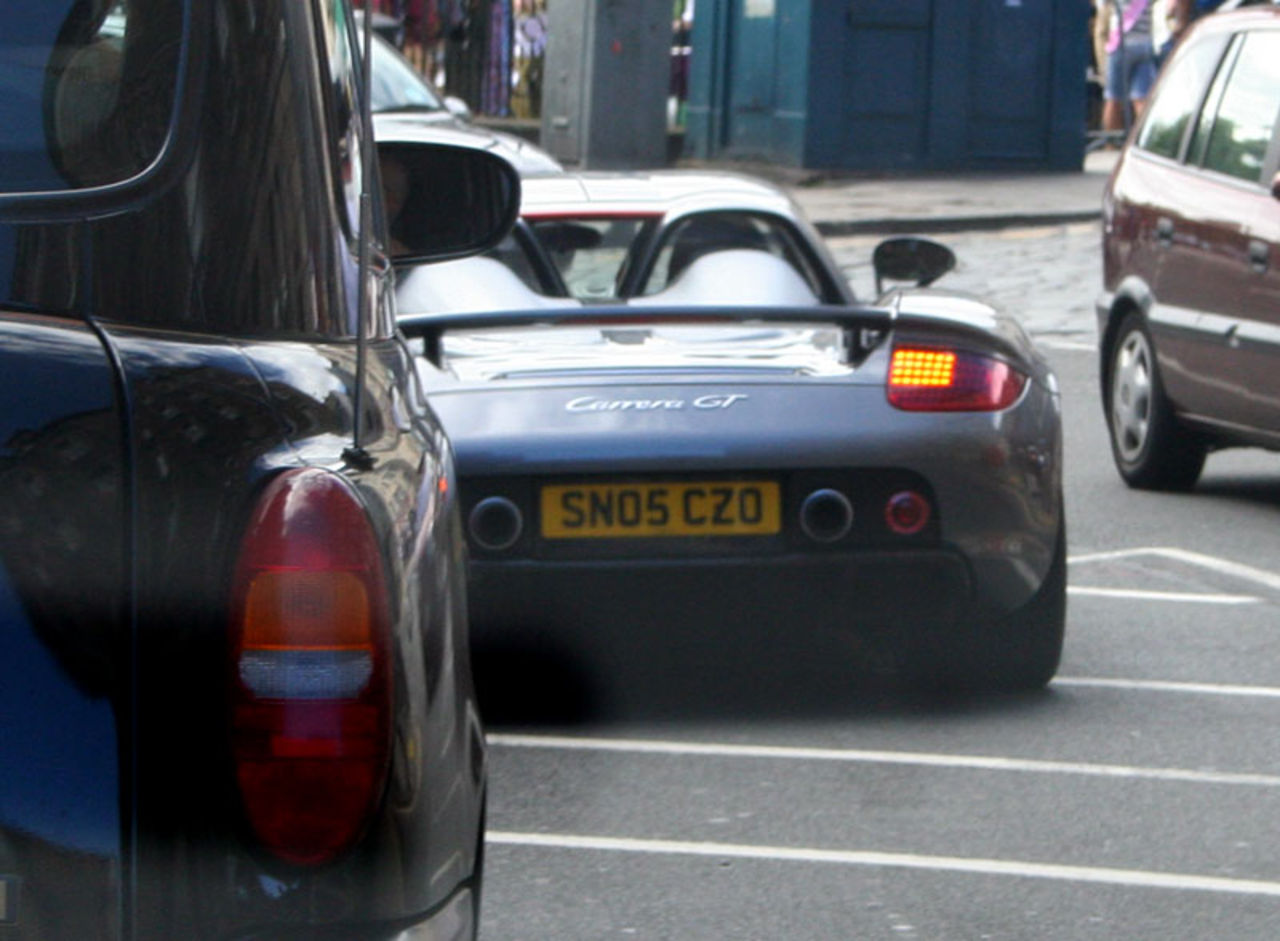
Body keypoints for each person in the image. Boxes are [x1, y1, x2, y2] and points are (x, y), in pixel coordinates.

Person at [1102, 0, 1157, 136]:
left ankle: (1111, 144)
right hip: (1144, 44)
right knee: (1141, 98)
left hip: (1121, 43)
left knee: (1114, 98)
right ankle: (1143, 141)